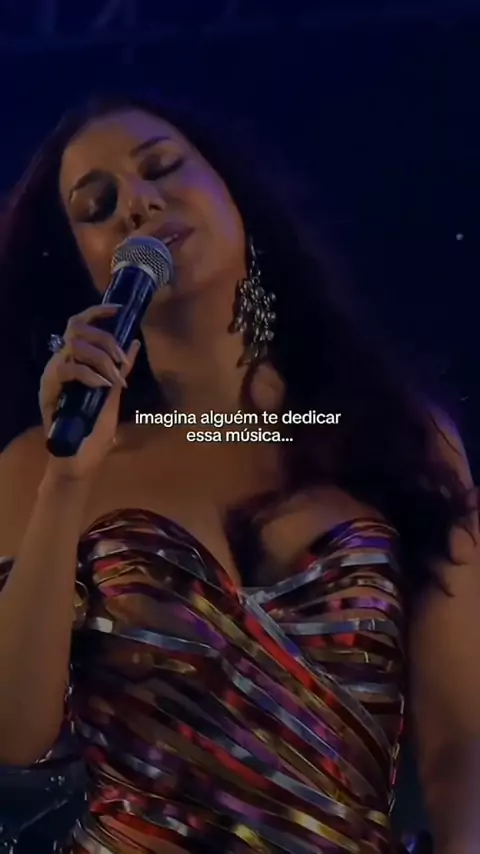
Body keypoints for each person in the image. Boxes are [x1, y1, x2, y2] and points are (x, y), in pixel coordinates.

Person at [0, 95, 478, 854]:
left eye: (162, 167)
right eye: (98, 207)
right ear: (87, 266)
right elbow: (13, 735)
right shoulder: (43, 462)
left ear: (234, 195)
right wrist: (68, 482)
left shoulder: (393, 434)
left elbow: (461, 739)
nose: (138, 205)